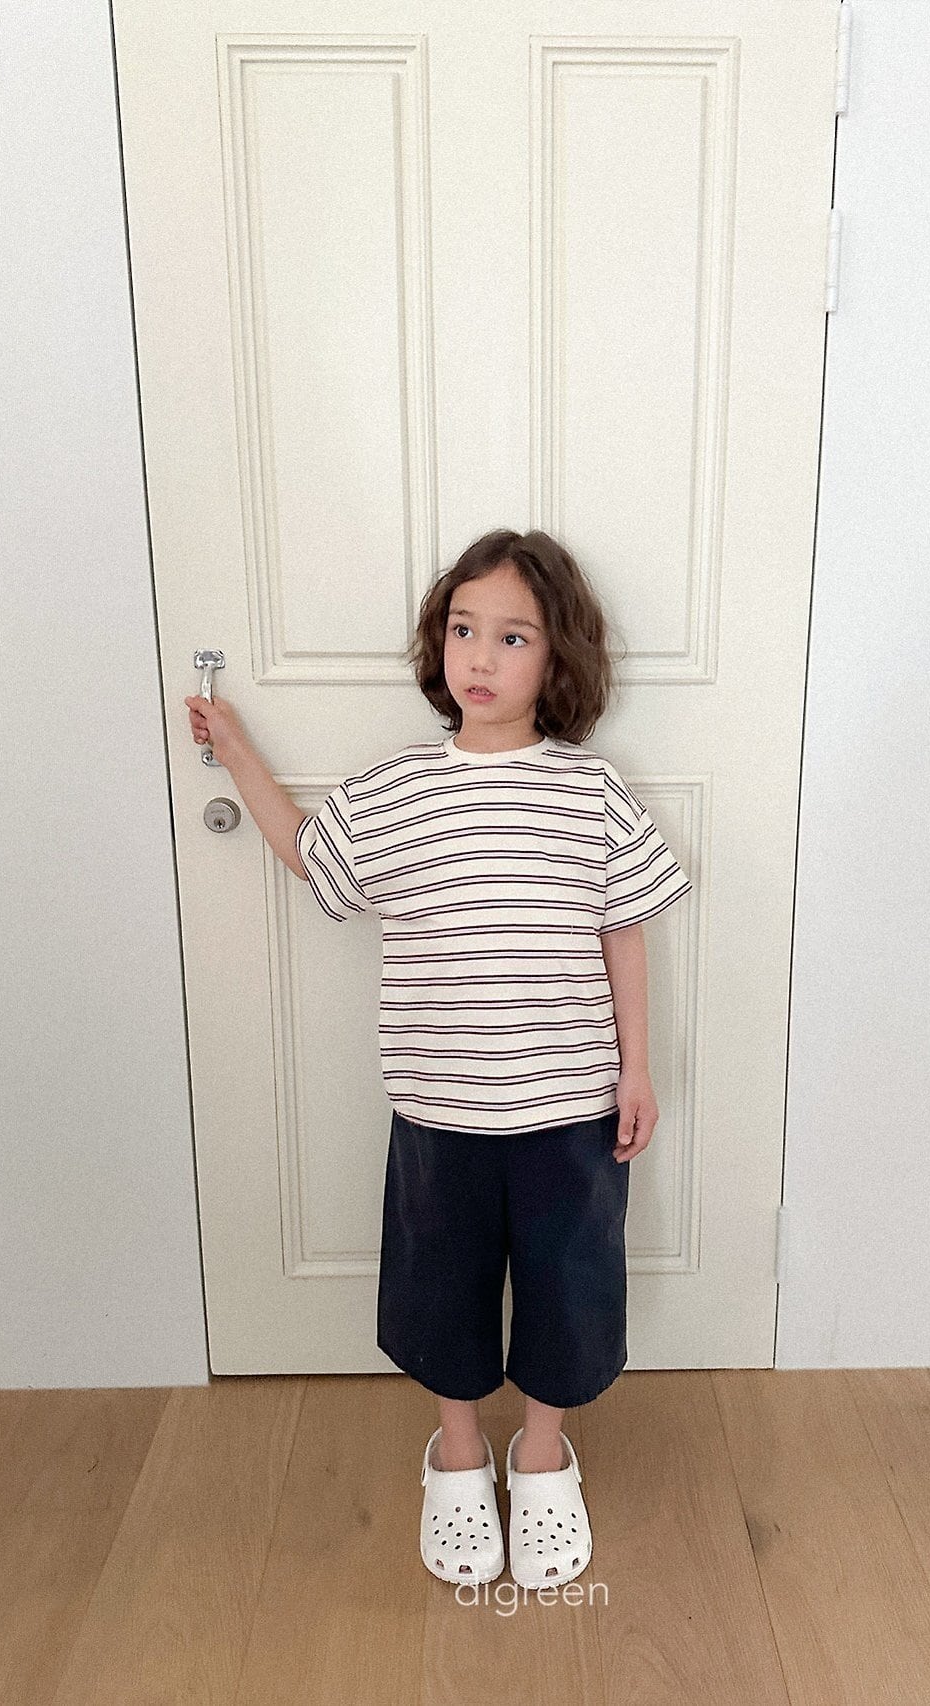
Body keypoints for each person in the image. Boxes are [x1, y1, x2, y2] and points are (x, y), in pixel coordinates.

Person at [183, 527, 691, 1589]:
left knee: (566, 1288)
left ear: (556, 658)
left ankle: (542, 1451)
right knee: (439, 1287)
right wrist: (235, 750)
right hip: (437, 1111)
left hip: (568, 1111)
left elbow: (623, 930)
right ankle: (457, 1448)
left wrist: (636, 1067)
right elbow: (310, 853)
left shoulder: (588, 792)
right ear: (438, 640)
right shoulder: (399, 790)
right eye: (464, 629)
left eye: (513, 637)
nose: (481, 657)